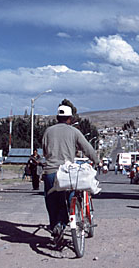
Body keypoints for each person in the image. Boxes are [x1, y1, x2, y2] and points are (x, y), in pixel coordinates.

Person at [41, 104, 100, 244]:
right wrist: (97, 161)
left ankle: (55, 227)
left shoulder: (48, 131)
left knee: (52, 201)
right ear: (70, 119)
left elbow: (44, 150)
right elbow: (88, 149)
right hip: (66, 172)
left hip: (50, 172)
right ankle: (63, 223)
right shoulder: (74, 132)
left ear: (57, 117)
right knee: (70, 196)